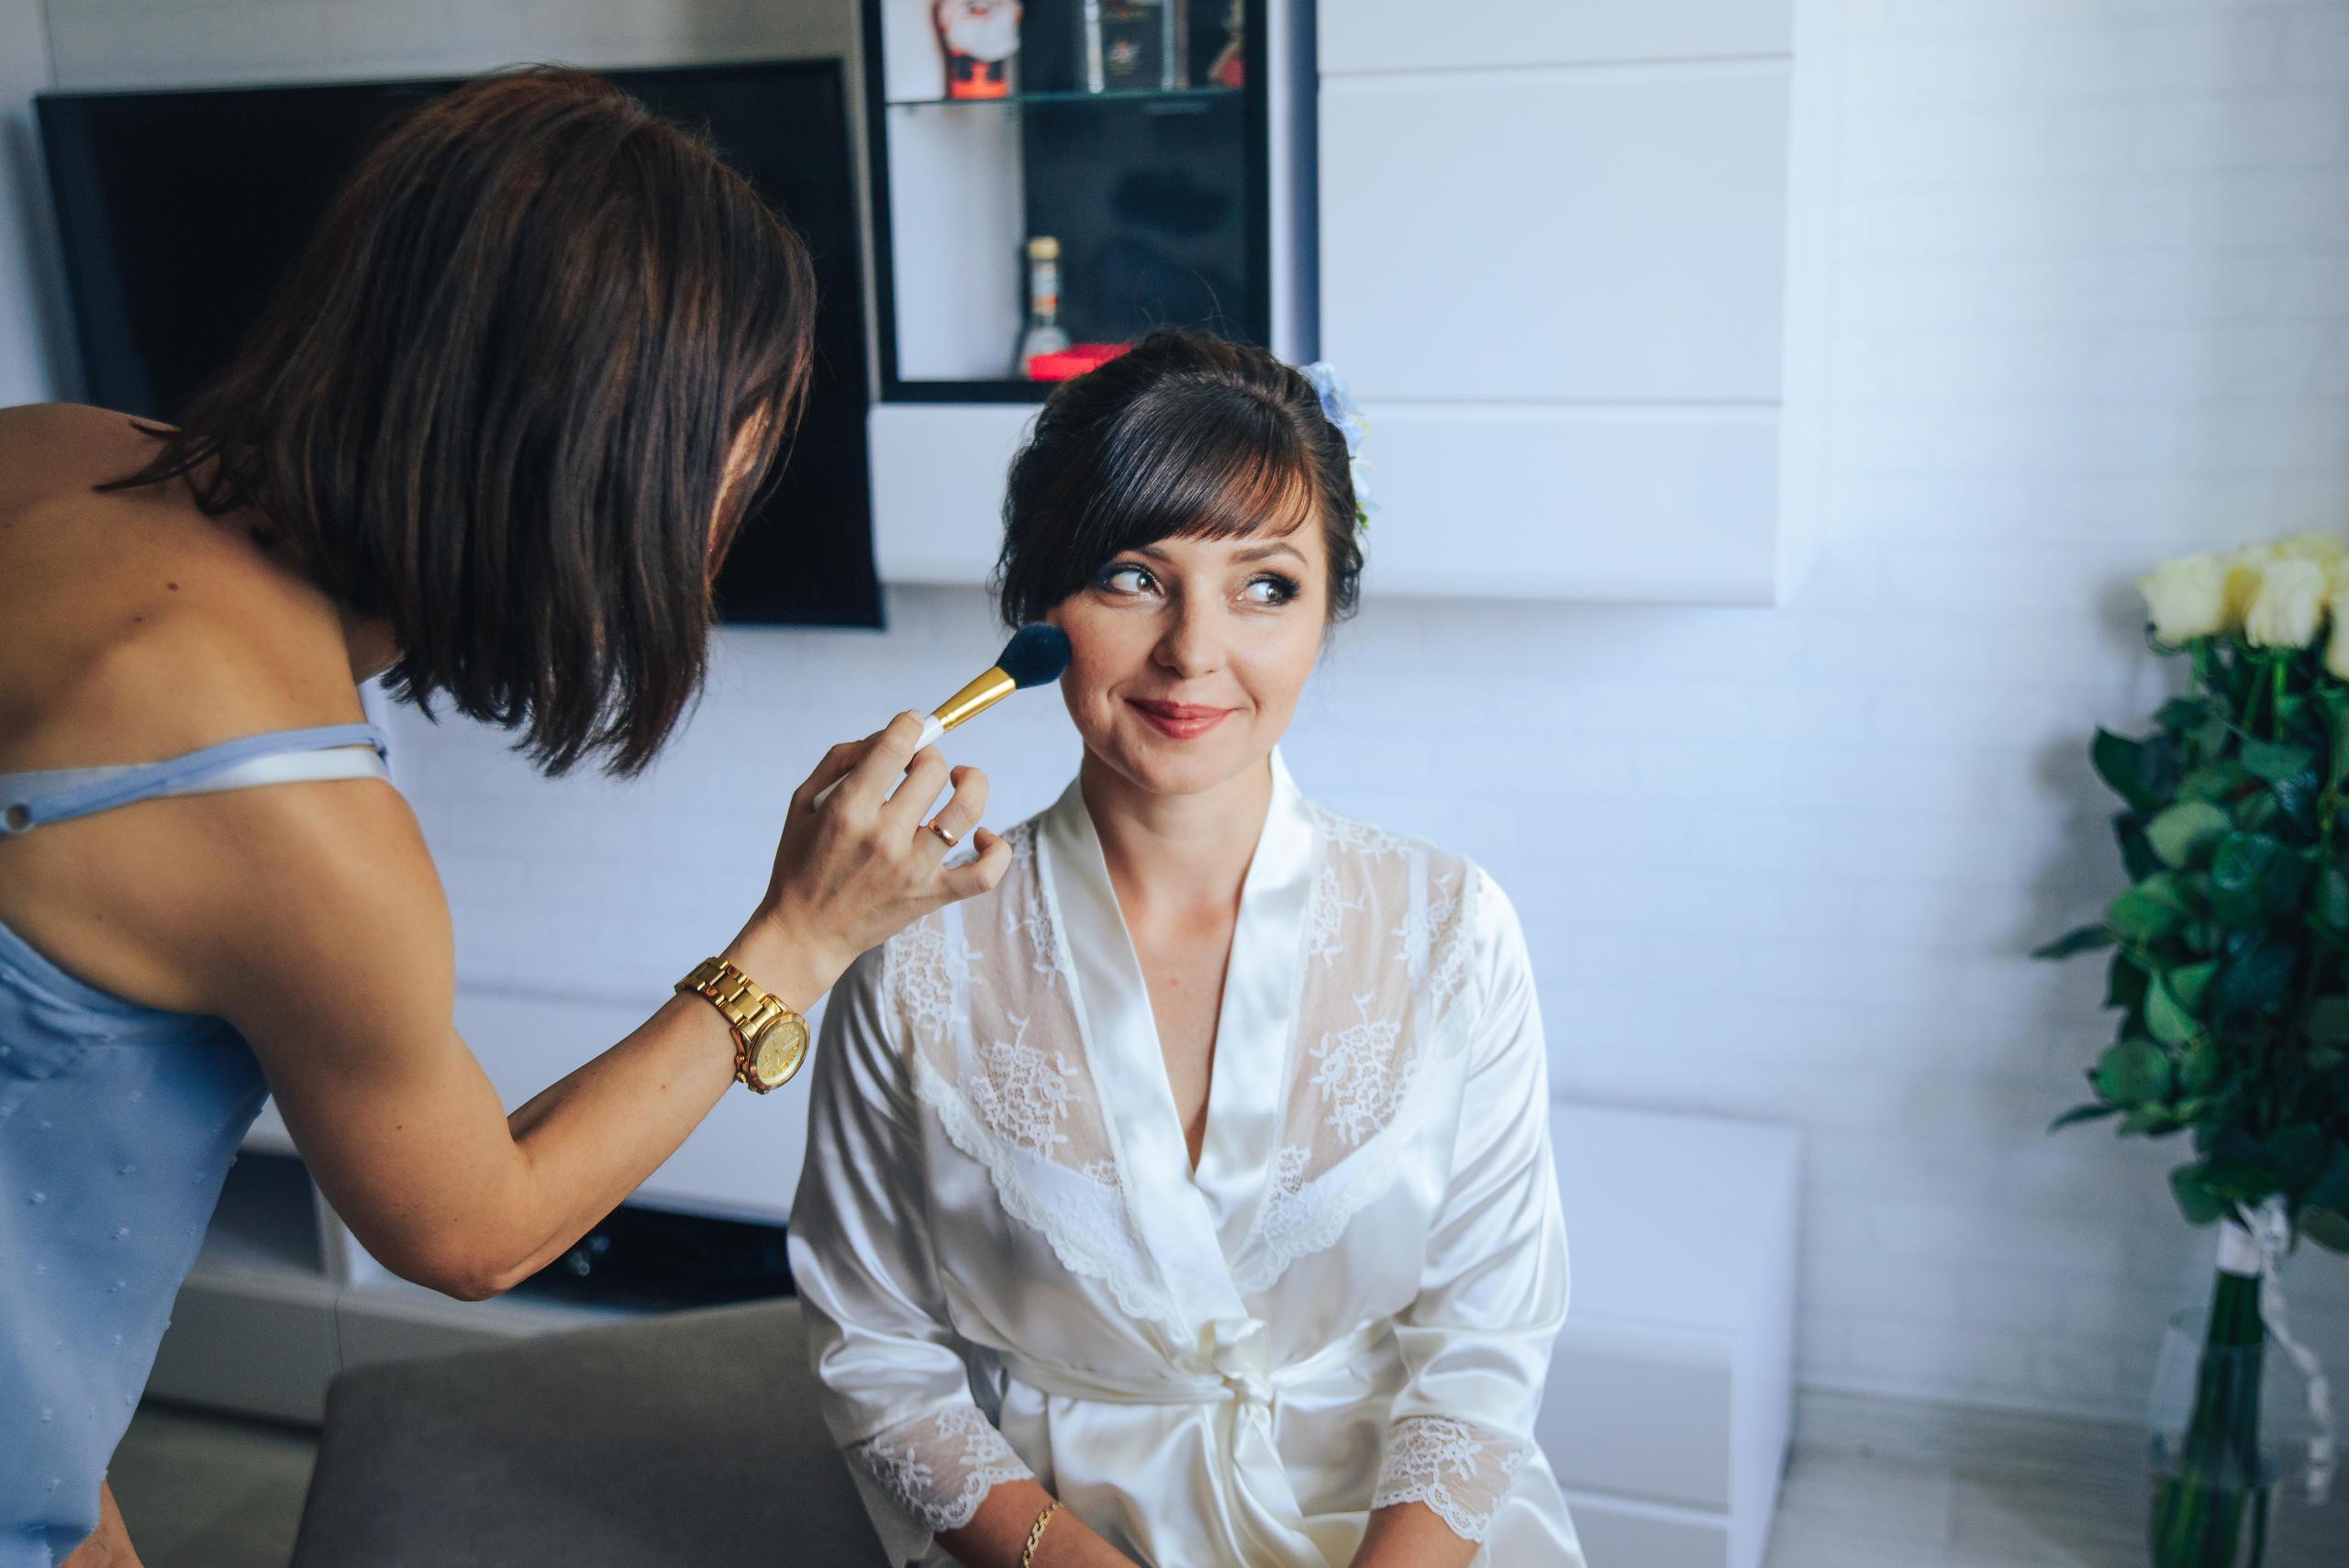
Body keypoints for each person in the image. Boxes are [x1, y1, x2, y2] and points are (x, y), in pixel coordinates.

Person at [0, 70, 1009, 1568]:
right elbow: (474, 1231)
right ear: (597, 456)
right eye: (734, 450)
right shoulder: (290, 819)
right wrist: (797, 941)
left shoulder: (46, 449)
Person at [788, 331, 1580, 1568]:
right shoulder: (916, 954)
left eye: (1266, 584)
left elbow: (1486, 1342)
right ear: (1044, 604)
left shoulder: (1451, 931)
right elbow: (873, 1352)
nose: (1194, 651)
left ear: (1327, 610)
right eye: (1131, 576)